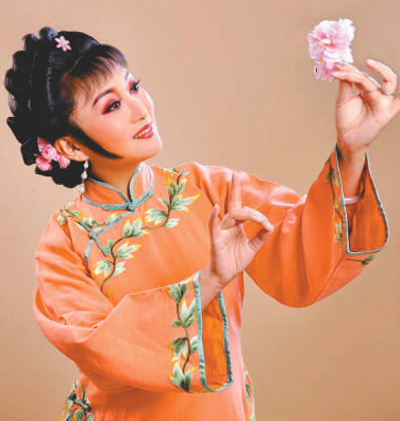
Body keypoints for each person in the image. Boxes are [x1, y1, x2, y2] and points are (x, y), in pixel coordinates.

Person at [4, 26, 398, 421]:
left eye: (135, 86)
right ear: (71, 145)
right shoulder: (64, 241)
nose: (141, 109)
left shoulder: (210, 189)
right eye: (113, 105)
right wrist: (209, 282)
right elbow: (99, 346)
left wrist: (350, 153)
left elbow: (304, 250)